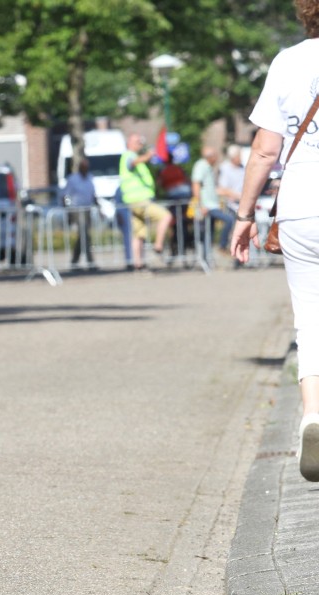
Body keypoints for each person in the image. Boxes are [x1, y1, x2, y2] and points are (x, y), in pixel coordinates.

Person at [231, 0, 319, 481]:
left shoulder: (288, 61)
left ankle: (312, 414)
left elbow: (266, 150)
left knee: (310, 317)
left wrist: (245, 215)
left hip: (303, 203)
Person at [119, 133, 173, 269]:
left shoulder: (134, 157)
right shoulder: (129, 155)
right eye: (138, 141)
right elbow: (132, 163)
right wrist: (148, 156)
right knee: (166, 216)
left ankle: (138, 264)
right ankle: (158, 245)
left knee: (139, 233)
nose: (140, 144)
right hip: (139, 201)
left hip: (133, 201)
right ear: (129, 143)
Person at [189, 146, 234, 252]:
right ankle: (222, 245)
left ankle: (207, 258)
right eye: (215, 156)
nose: (217, 159)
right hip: (207, 206)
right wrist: (201, 205)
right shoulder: (201, 166)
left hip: (212, 204)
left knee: (209, 233)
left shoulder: (208, 167)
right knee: (229, 220)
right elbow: (196, 185)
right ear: (211, 157)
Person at [62, 157, 97, 268]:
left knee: (83, 235)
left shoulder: (90, 178)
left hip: (87, 209)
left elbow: (92, 194)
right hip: (76, 209)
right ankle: (90, 261)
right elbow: (66, 195)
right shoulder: (73, 179)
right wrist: (68, 209)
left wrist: (98, 205)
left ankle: (74, 261)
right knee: (84, 234)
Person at [217, 144, 246, 249]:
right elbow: (221, 189)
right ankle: (223, 245)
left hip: (243, 203)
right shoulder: (225, 168)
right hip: (231, 204)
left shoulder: (243, 168)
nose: (241, 158)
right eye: (239, 156)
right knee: (231, 225)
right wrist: (237, 195)